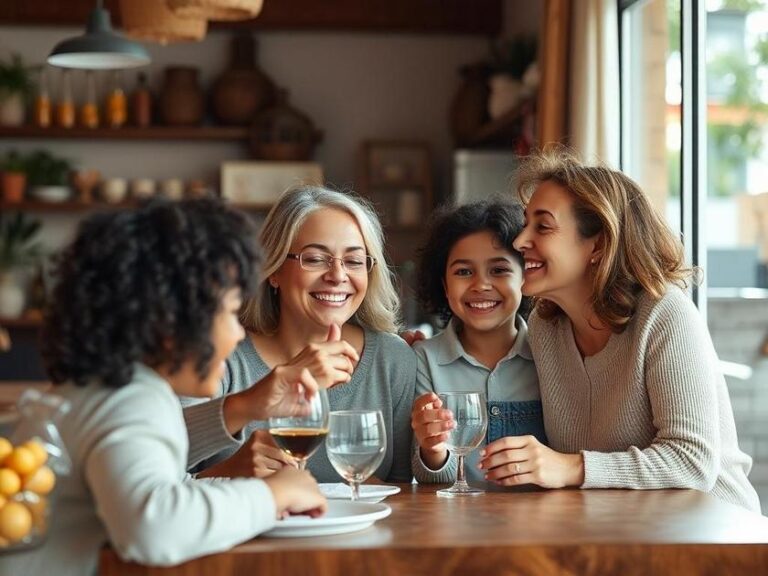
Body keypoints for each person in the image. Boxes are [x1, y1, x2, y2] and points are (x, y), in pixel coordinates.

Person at [2, 200, 327, 576]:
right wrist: (273, 495)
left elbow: (164, 489)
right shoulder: (133, 398)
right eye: (229, 312)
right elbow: (154, 525)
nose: (238, 331)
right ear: (172, 322)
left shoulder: (92, 389)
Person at [478, 149, 760, 512]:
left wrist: (572, 466)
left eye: (542, 226)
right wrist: (419, 349)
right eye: (526, 224)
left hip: (711, 536)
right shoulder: (546, 327)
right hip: (621, 532)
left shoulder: (664, 314)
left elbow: (693, 461)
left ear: (598, 244)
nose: (519, 242)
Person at [184, 185, 416, 483]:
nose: (337, 275)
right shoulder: (220, 353)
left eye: (354, 261)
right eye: (315, 258)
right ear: (275, 270)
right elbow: (157, 471)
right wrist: (227, 473)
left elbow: (404, 490)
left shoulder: (392, 358)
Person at [409, 200, 544, 487]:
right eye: (463, 272)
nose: (481, 285)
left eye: (499, 270)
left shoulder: (549, 354)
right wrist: (432, 449)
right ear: (445, 286)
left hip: (538, 526)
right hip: (457, 525)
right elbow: (428, 478)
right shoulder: (424, 359)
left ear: (525, 279)